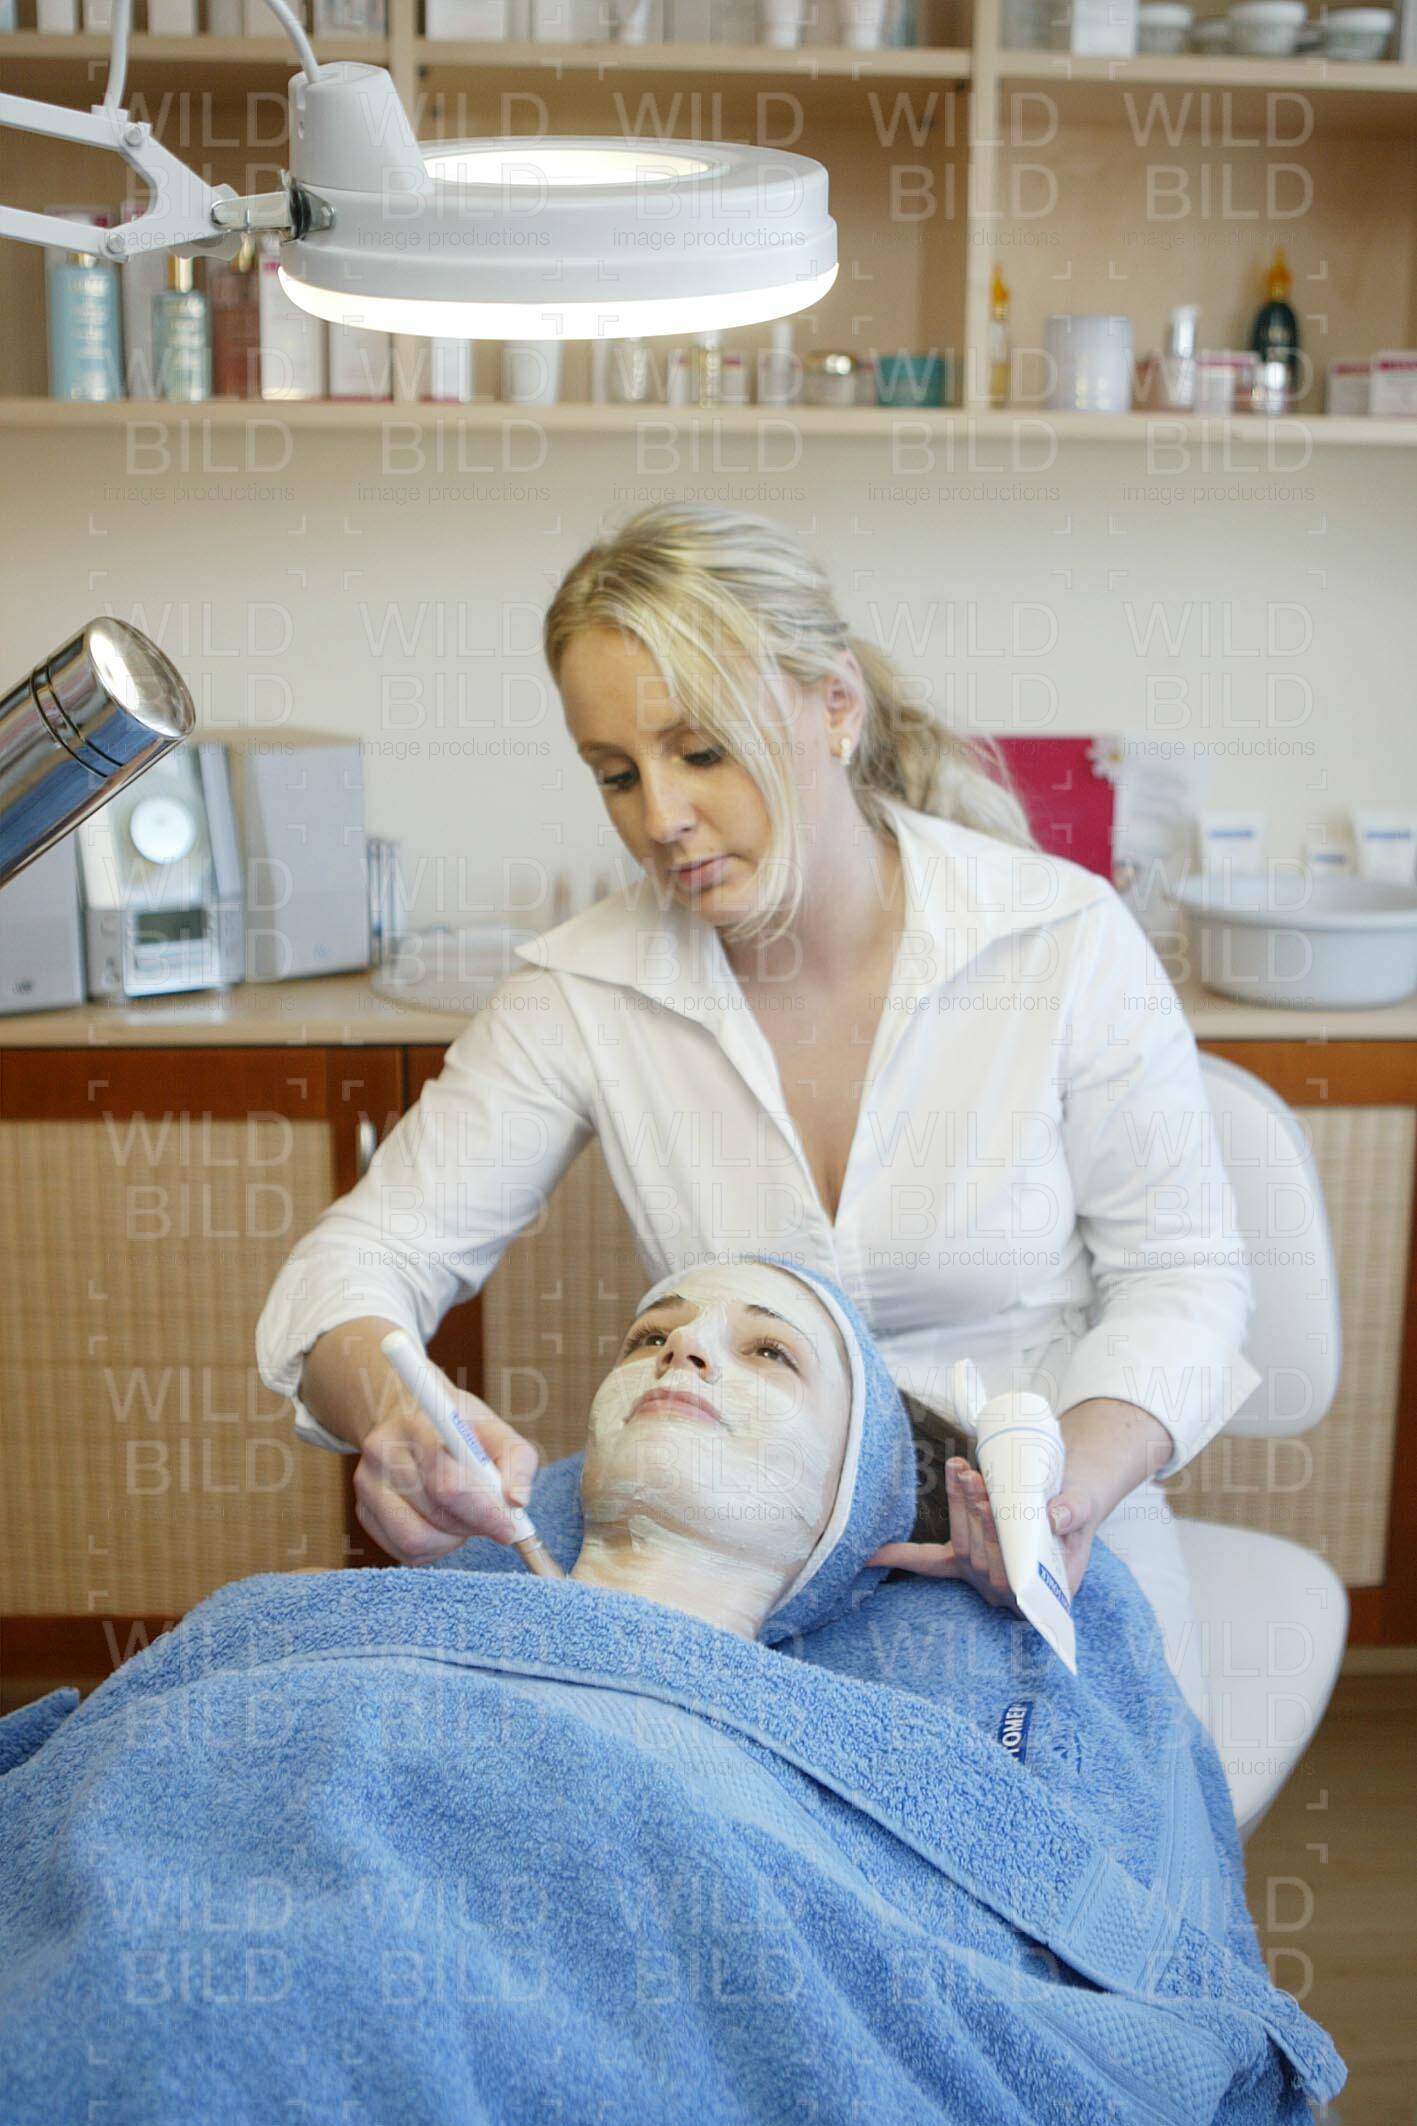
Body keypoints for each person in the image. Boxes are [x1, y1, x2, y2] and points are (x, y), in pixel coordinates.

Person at [255, 500, 1260, 1723]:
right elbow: (361, 1258)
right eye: (615, 773)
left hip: (1038, 1519)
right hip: (732, 1552)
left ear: (835, 705)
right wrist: (392, 1413)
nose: (658, 817)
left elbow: (1184, 1276)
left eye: (700, 751)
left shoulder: (1058, 937)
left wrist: (1060, 1497)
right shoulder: (585, 987)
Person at [2, 1256, 1344, 2122]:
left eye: (768, 1353)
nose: (681, 1352)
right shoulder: (293, 1628)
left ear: (849, 1504)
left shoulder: (845, 1772)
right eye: (651, 1332)